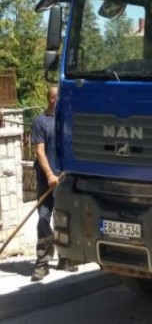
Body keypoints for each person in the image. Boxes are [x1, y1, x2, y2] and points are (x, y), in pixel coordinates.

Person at [31, 86, 76, 282]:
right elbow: (39, 151)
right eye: (58, 98)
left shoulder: (65, 122)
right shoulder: (40, 122)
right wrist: (49, 175)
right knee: (43, 218)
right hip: (46, 180)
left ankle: (65, 257)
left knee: (63, 218)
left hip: (63, 179)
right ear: (51, 98)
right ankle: (42, 262)